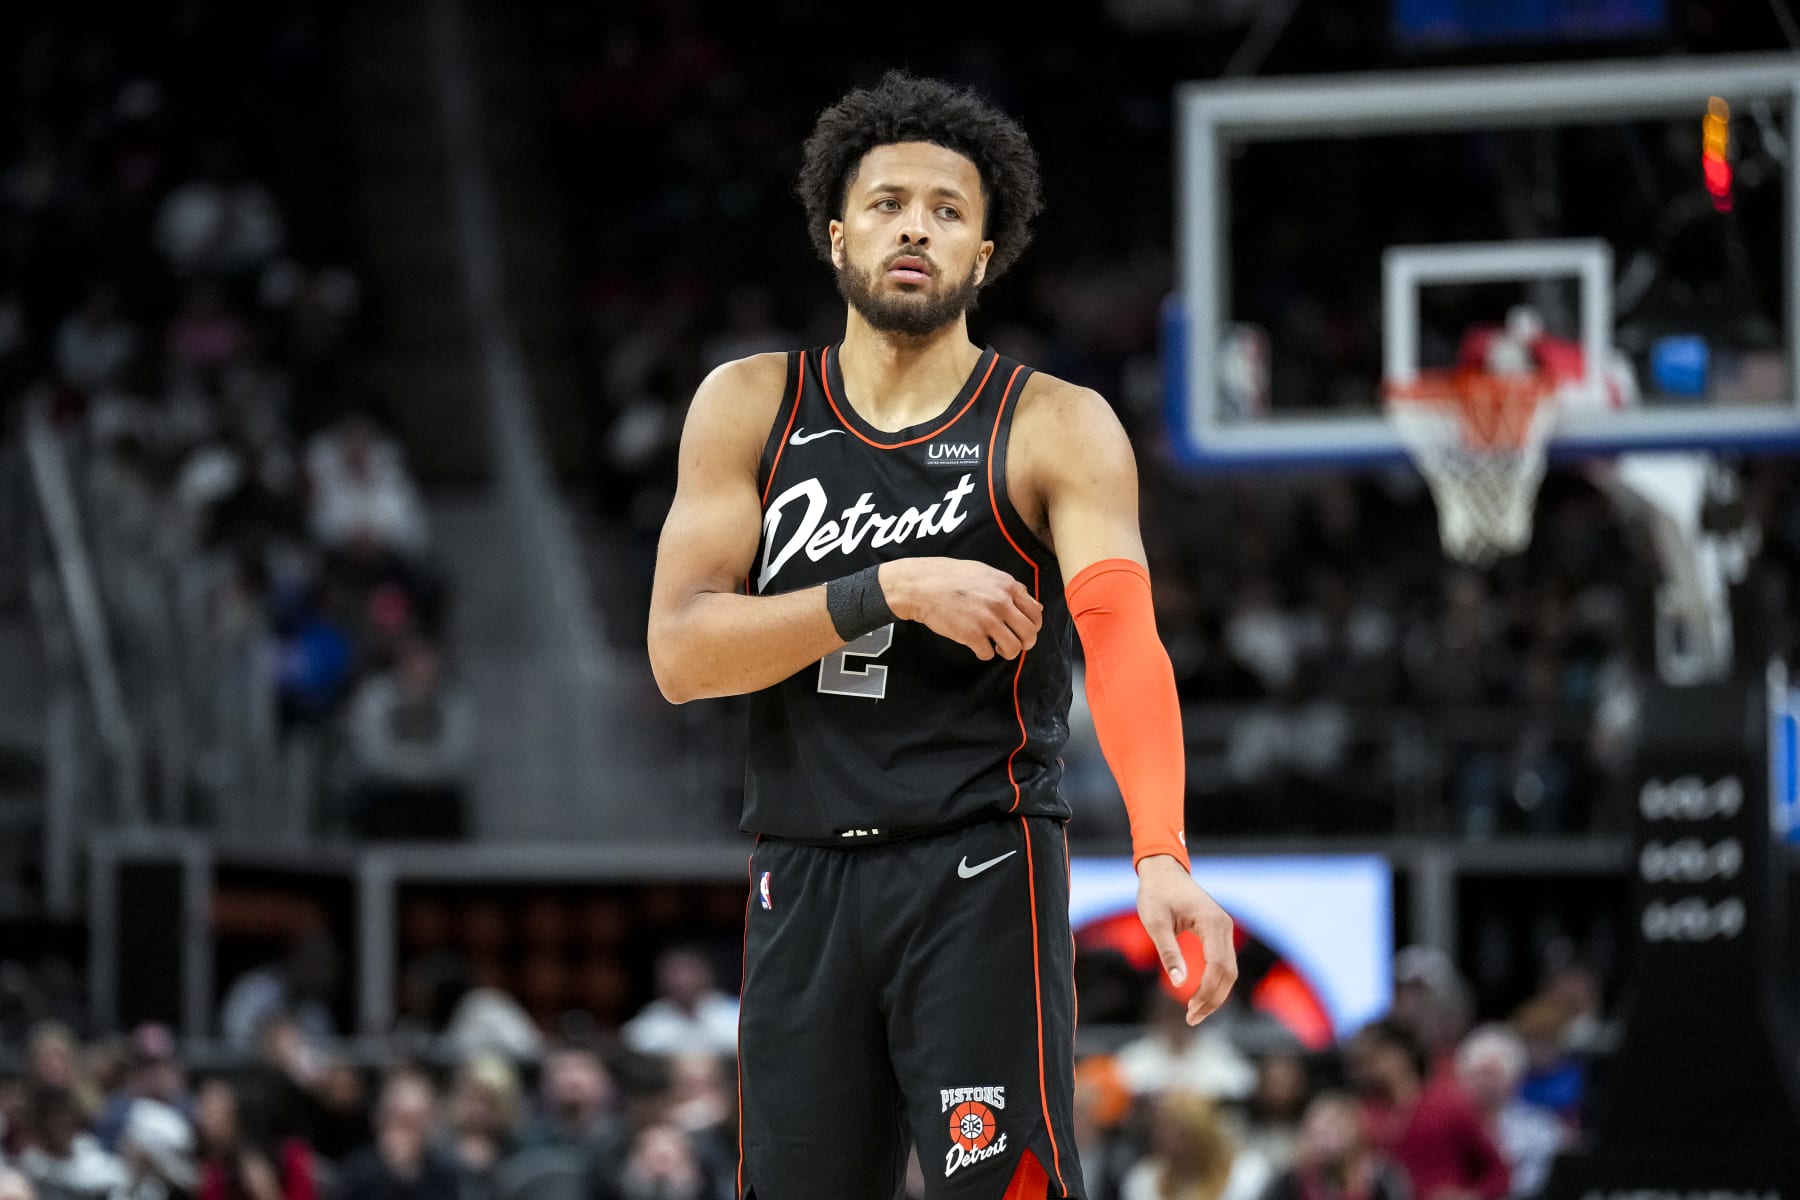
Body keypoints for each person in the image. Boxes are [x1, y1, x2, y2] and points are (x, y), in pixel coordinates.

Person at [646, 71, 1238, 1200]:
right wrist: (888, 589)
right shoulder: (750, 403)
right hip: (801, 874)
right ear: (835, 238)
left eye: (948, 209)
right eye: (886, 202)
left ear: (983, 254)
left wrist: (1162, 853)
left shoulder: (1057, 424)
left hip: (980, 863)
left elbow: (1122, 641)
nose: (915, 223)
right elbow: (681, 654)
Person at [1351, 1019, 1509, 1200]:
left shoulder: (1446, 1104)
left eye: (1376, 1057)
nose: (1370, 1068)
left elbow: (1499, 1172)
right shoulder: (1366, 1117)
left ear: (1402, 1055)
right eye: (1364, 1061)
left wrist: (1471, 1195)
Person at [1454, 1026, 1565, 1198]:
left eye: (1494, 1074)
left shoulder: (1541, 1127)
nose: (1486, 1083)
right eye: (1479, 1074)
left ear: (1515, 1077)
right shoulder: (1446, 1125)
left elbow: (1541, 1180)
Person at [1118, 1092, 1268, 1200]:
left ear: (1199, 1135)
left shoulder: (1247, 1173)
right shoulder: (1144, 1179)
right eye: (1159, 1128)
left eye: (1175, 1131)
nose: (1161, 1137)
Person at [1260, 1092, 1410, 1200]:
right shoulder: (1290, 1183)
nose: (1324, 1138)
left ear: (1356, 1128)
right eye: (1316, 1130)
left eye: (1335, 1125)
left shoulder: (1383, 1178)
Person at [618, 950, 737, 1060]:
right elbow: (631, 1043)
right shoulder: (650, 1019)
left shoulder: (732, 1012)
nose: (683, 981)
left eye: (689, 972)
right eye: (675, 974)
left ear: (705, 974)